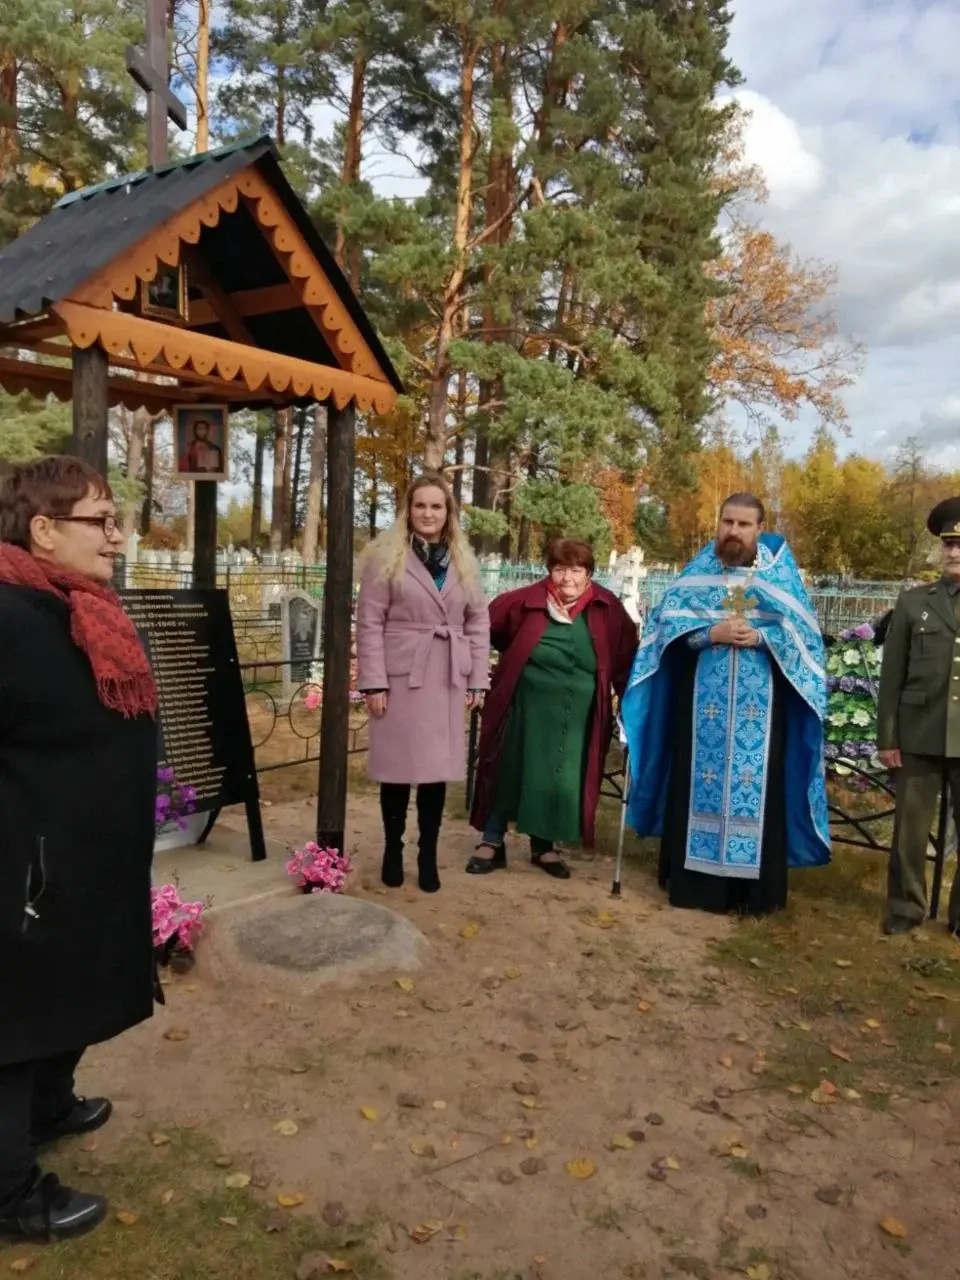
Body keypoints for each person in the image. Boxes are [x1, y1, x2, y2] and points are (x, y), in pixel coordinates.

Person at [0, 457, 159, 1242]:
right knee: (14, 1021)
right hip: (28, 868)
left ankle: (50, 1104)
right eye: (101, 521)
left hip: (87, 860)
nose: (119, 535)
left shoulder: (77, 607)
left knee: (71, 993)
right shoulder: (5, 614)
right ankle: (9, 1191)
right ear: (44, 529)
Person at [621, 494, 830, 915]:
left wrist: (765, 637)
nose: (733, 531)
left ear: (759, 529)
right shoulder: (698, 574)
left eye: (744, 525)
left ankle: (750, 894)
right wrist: (708, 633)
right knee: (695, 782)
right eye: (727, 522)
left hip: (763, 715)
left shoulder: (779, 579)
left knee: (759, 790)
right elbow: (665, 630)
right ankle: (695, 887)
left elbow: (806, 642)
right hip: (701, 710)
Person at [469, 538, 638, 879]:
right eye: (559, 569)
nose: (567, 578)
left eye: (576, 570)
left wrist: (632, 710)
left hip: (577, 715)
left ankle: (543, 848)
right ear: (549, 571)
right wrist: (479, 677)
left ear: (589, 574)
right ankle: (492, 841)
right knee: (509, 768)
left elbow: (626, 659)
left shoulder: (608, 609)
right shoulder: (522, 602)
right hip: (523, 707)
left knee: (558, 777)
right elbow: (480, 632)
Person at [356, 473, 490, 893]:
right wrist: (373, 682)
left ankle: (426, 854)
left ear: (448, 513)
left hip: (447, 677)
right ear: (408, 510)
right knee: (396, 771)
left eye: (437, 506)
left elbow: (478, 621)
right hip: (399, 678)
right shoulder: (385, 557)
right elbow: (369, 621)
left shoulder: (463, 560)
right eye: (420, 506)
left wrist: (477, 679)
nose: (428, 514)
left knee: (434, 774)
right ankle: (393, 849)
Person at [876, 497, 960, 936]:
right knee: (909, 836)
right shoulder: (913, 603)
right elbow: (892, 677)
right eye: (948, 544)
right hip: (919, 735)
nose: (954, 553)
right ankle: (906, 909)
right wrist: (887, 737)